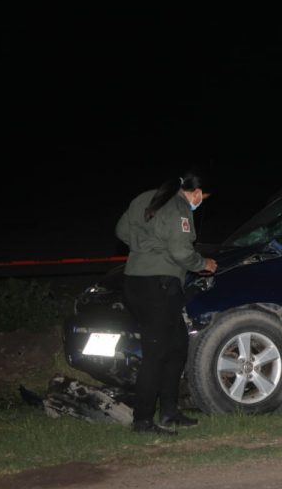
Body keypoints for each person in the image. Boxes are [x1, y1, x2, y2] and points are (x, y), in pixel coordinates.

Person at [115, 170, 217, 435]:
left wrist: (146, 247)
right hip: (157, 287)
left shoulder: (145, 198)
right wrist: (203, 263)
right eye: (202, 197)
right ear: (195, 193)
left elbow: (121, 230)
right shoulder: (180, 208)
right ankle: (143, 421)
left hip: (136, 283)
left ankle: (170, 412)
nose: (200, 202)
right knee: (156, 353)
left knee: (177, 347)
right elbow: (181, 251)